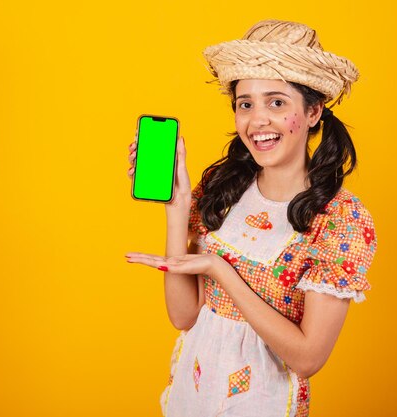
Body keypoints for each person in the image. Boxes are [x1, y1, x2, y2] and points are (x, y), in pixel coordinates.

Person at [126, 19, 377, 417]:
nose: (257, 120)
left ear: (313, 111)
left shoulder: (338, 219)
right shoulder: (222, 187)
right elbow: (184, 316)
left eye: (276, 102)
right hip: (194, 396)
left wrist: (221, 269)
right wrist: (176, 210)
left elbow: (308, 357)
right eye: (246, 104)